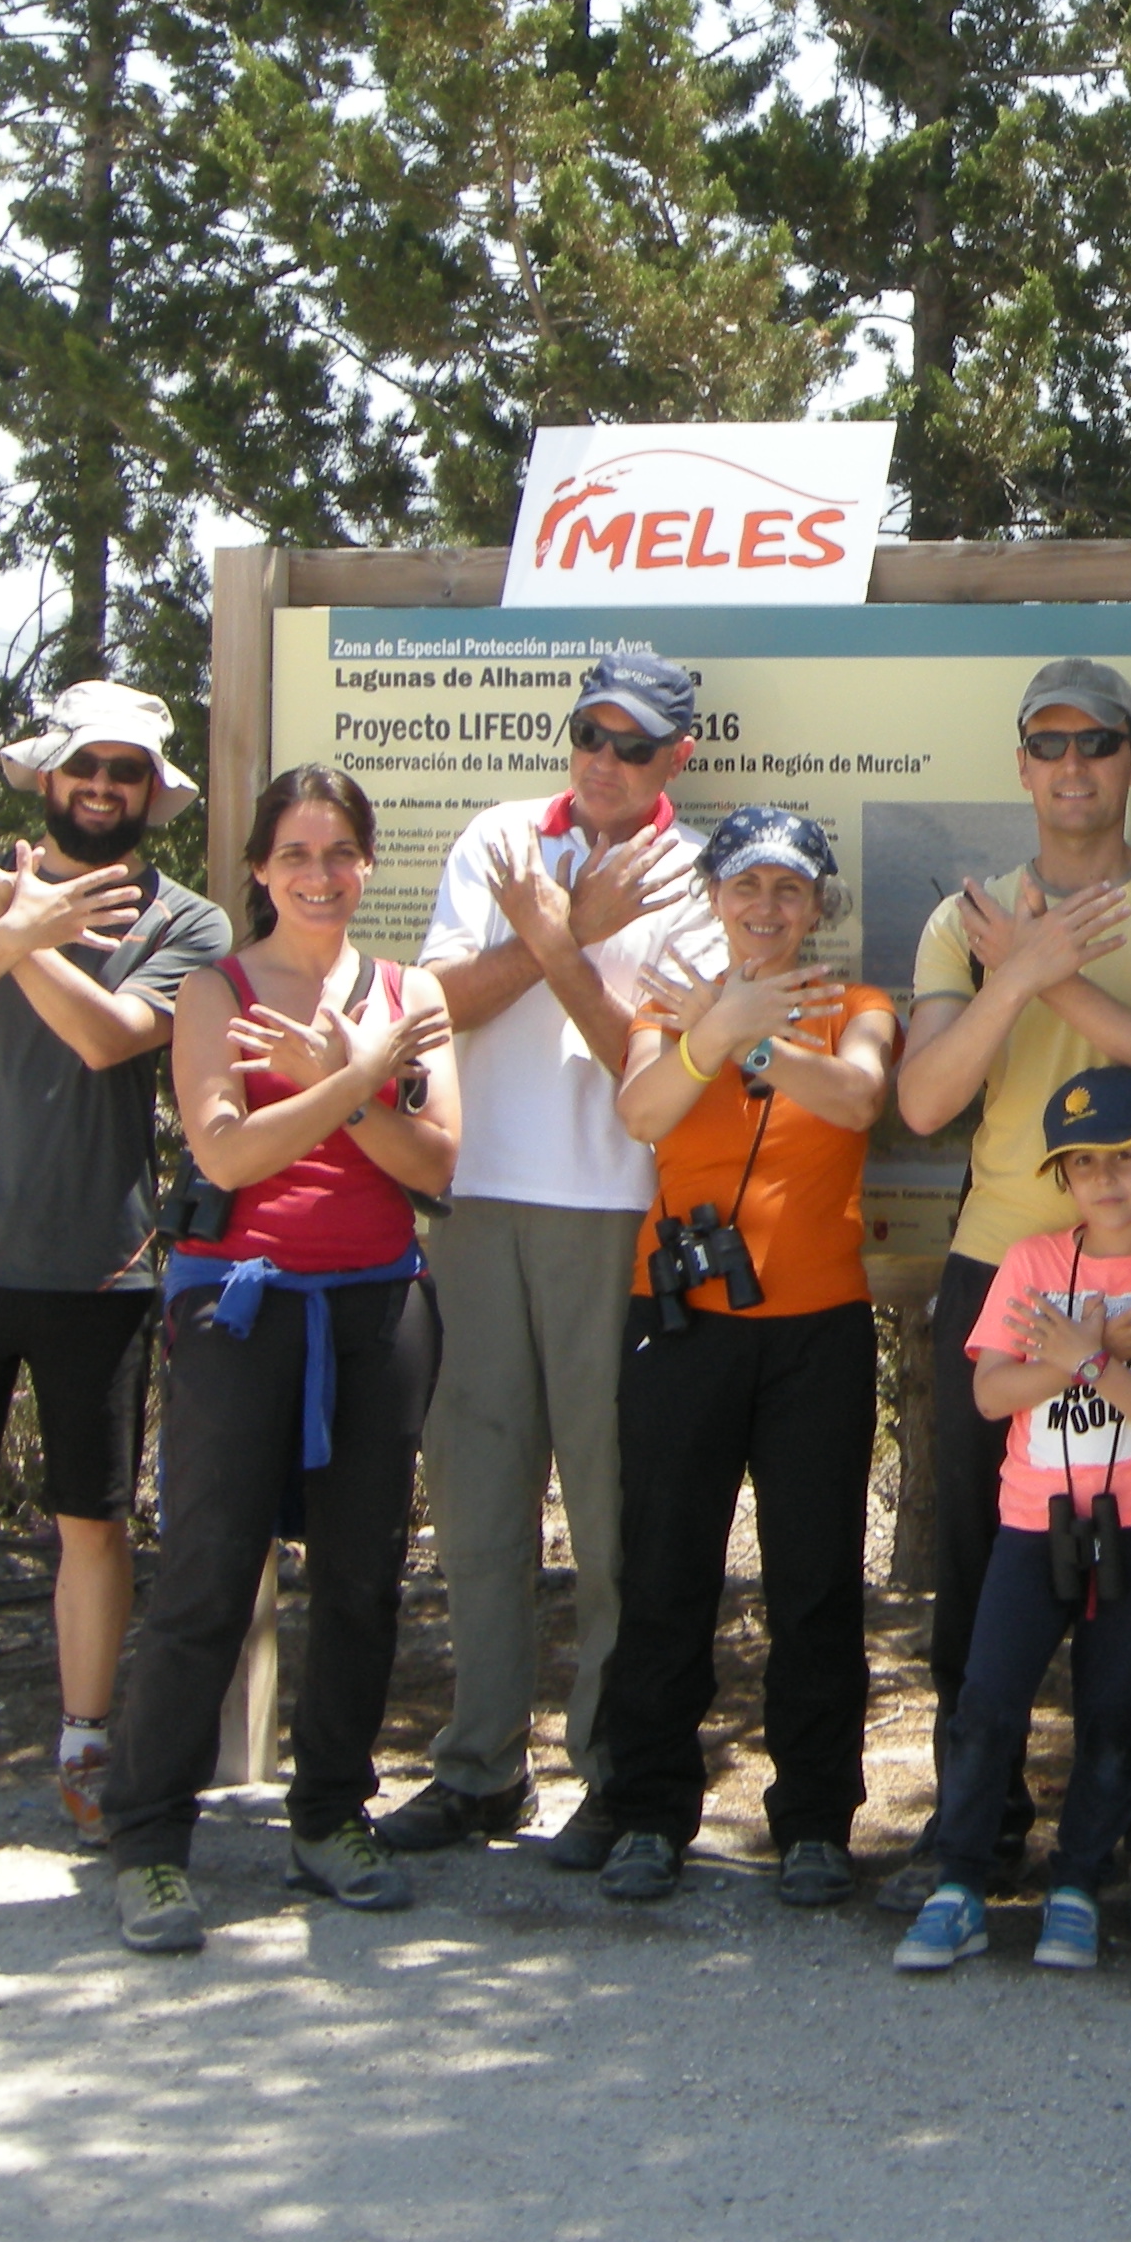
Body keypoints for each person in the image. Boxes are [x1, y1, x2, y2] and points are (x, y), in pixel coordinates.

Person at [888, 656, 1131, 1936]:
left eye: (1100, 742)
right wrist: (1010, 972)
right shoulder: (963, 921)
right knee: (985, 1564)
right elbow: (925, 1100)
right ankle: (972, 1833)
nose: (1075, 764)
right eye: (1050, 744)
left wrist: (1042, 971)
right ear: (1024, 766)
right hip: (1006, 1272)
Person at [0, 681, 230, 1862]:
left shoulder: (190, 925)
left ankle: (84, 1757)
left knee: (96, 1529)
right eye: (87, 767)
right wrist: (12, 923)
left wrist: (6, 925)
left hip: (104, 1271)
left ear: (152, 794)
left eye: (128, 771)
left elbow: (109, 1035)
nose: (105, 789)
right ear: (49, 776)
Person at [101, 767, 460, 1954]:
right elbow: (230, 1150)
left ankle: (329, 1818)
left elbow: (438, 1164)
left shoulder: (412, 995)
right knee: (206, 1579)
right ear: (258, 868)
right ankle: (149, 1843)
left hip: (377, 1312)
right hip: (242, 1315)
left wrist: (344, 1088)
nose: (320, 875)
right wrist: (362, 1081)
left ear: (368, 865)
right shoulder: (216, 992)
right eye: (296, 853)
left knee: (360, 1583)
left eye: (341, 852)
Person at [381, 650, 716, 1871]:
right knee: (478, 1501)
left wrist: (560, 943)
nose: (606, 763)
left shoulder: (702, 872)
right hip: (473, 1201)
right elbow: (437, 1003)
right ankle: (479, 1767)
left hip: (613, 1213)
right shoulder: (501, 836)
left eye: (636, 744)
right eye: (590, 734)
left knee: (613, 1511)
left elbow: (653, 1066)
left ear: (679, 754)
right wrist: (563, 925)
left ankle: (614, 1772)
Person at [590, 806, 899, 1910]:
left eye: (790, 893)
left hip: (816, 1326)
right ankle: (647, 1811)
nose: (766, 911)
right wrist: (710, 1031)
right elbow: (643, 1110)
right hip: (682, 1325)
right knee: (666, 1569)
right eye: (746, 890)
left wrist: (751, 1037)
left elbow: (859, 1097)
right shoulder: (665, 1009)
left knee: (815, 1579)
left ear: (818, 909)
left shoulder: (855, 1007)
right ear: (714, 899)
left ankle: (815, 1819)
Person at [896, 1054, 1131, 1978]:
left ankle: (1080, 1884)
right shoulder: (1035, 1263)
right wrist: (1091, 1351)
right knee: (989, 1701)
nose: (1105, 1180)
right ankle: (960, 1883)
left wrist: (1091, 1362)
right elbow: (993, 1392)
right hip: (1033, 1520)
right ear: (1062, 1177)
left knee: (1116, 1712)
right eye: (1083, 1164)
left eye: (1125, 1157)